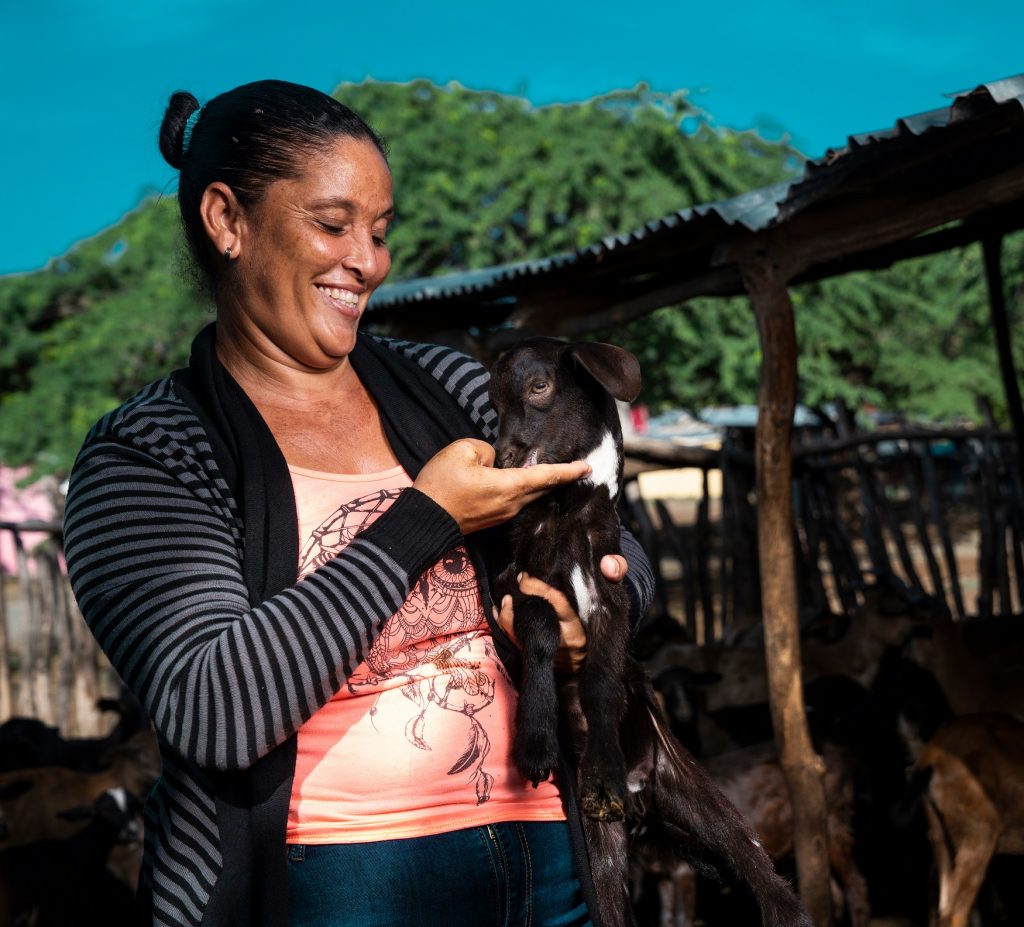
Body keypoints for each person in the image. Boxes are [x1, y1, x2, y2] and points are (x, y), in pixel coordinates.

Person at [63, 79, 654, 927]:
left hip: (552, 865)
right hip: (334, 886)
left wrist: (592, 608)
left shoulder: (450, 386)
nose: (368, 261)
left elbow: (615, 538)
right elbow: (215, 708)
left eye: (378, 233)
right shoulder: (151, 453)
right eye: (332, 225)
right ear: (227, 220)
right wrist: (426, 518)